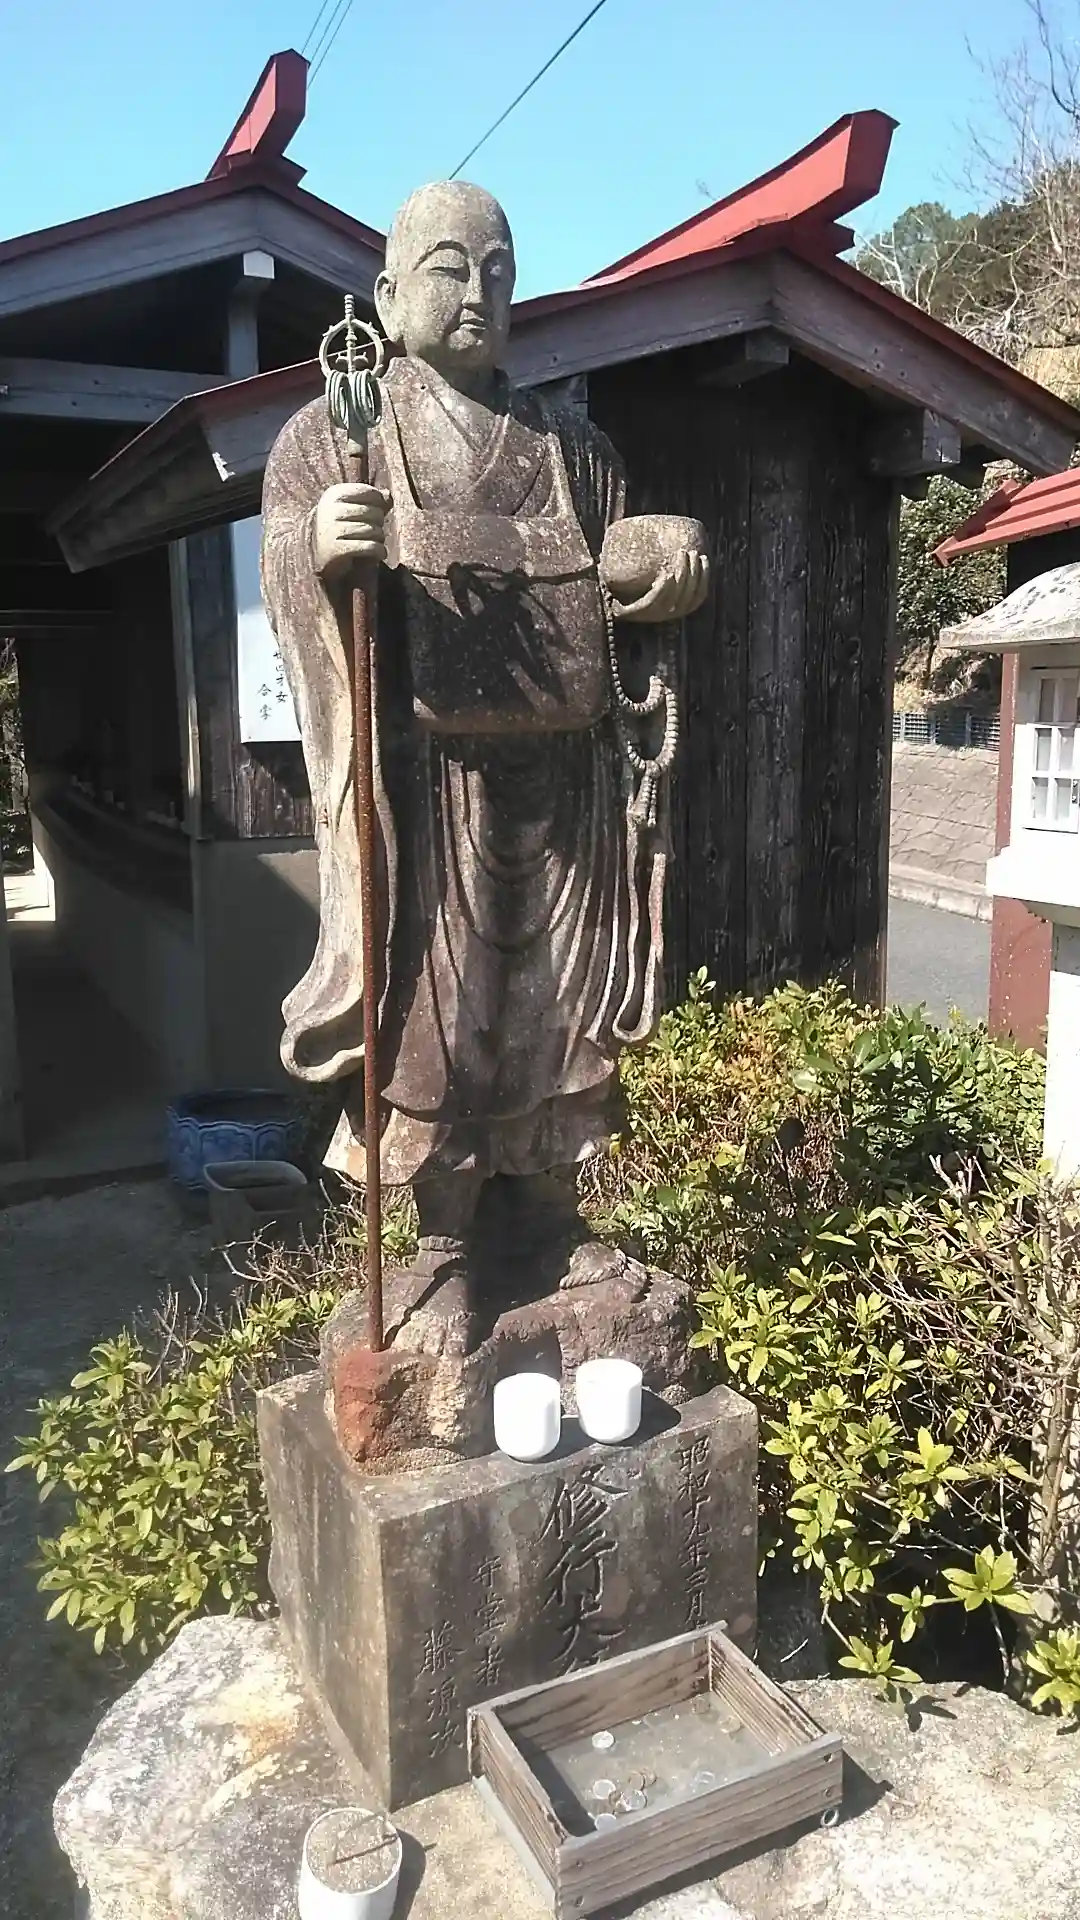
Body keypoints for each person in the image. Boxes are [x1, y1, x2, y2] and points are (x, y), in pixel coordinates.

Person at [261, 180, 709, 1354]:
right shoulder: (340, 435)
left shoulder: (573, 448)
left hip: (566, 792)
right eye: (450, 269)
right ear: (387, 296)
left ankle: (556, 1216)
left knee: (563, 1007)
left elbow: (623, 572)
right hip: (428, 796)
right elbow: (294, 570)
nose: (478, 293)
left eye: (499, 271)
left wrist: (662, 567)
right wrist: (321, 554)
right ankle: (446, 1242)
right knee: (438, 1011)